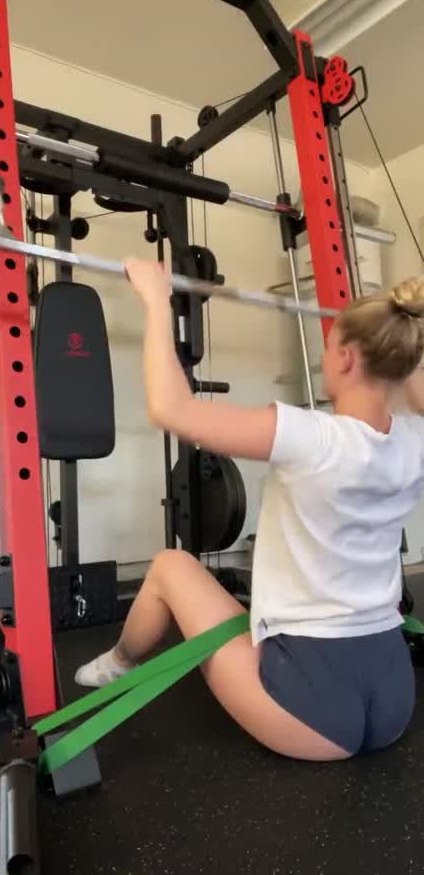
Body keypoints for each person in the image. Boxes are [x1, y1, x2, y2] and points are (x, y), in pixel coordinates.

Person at [75, 259, 424, 762]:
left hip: (310, 717)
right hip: (394, 700)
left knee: (170, 566)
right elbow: (412, 387)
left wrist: (155, 299)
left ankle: (119, 663)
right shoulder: (414, 439)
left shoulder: (313, 436)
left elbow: (171, 410)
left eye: (329, 349)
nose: (324, 358)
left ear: (347, 358)